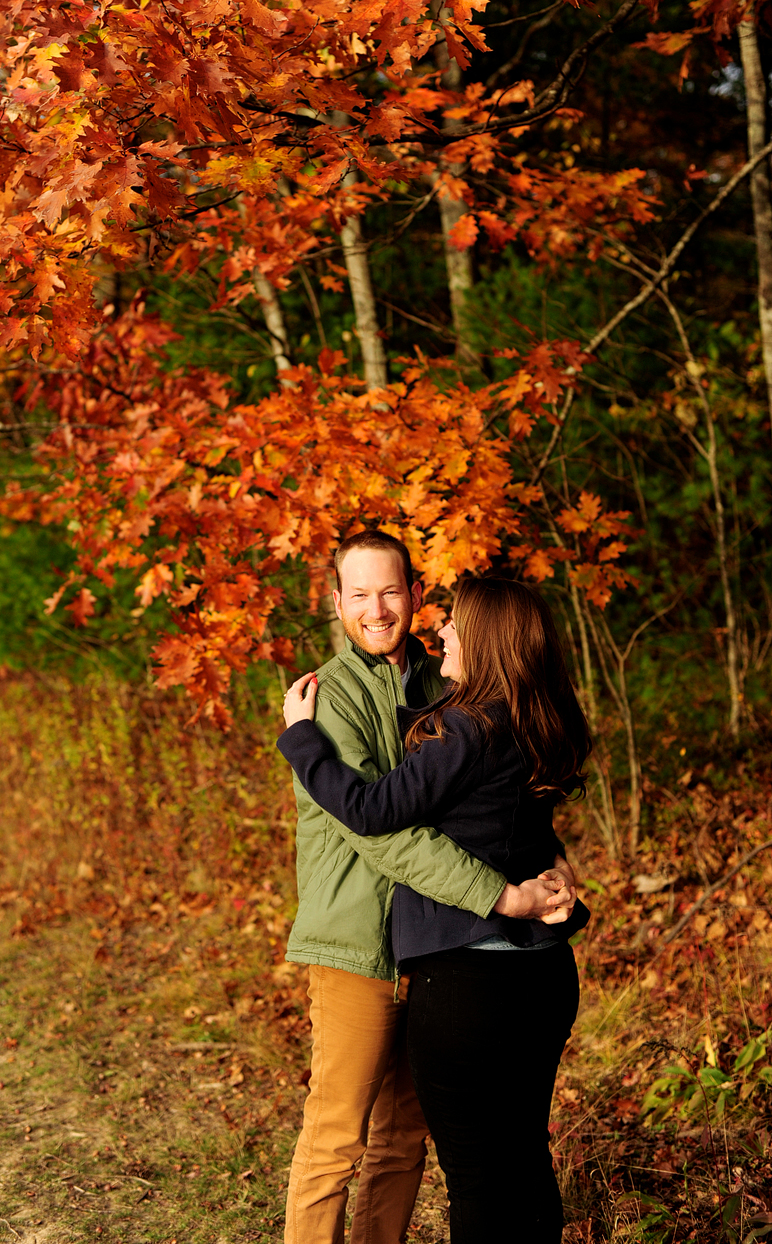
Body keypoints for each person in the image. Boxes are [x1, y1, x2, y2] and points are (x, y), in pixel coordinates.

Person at [280, 532, 578, 1244]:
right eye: (359, 594)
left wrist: (553, 859)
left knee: (405, 1137)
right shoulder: (324, 700)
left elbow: (499, 791)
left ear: (416, 595)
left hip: (440, 950)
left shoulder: (449, 678)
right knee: (336, 1137)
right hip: (359, 941)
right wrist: (502, 896)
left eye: (391, 591)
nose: (377, 608)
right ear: (337, 603)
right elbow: (379, 830)